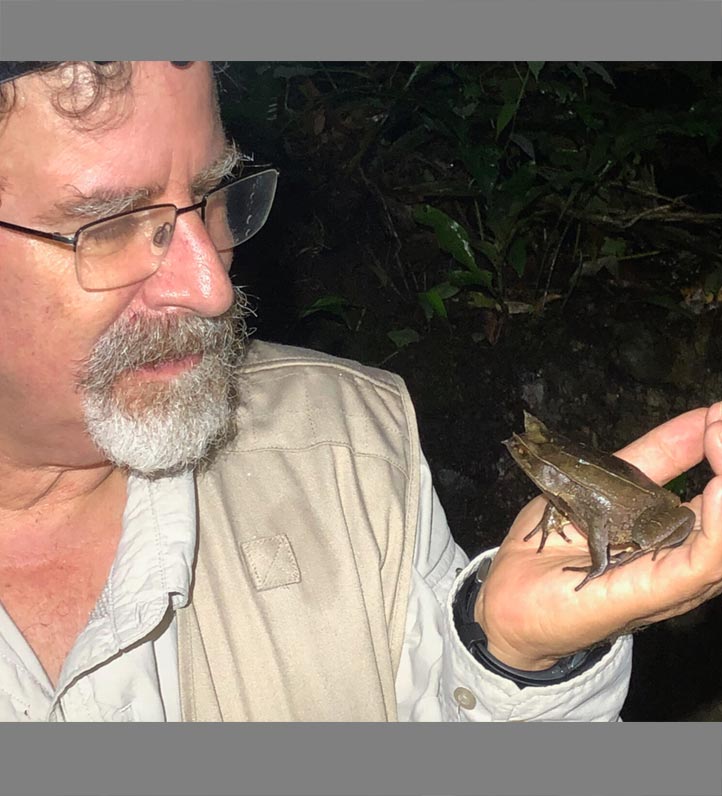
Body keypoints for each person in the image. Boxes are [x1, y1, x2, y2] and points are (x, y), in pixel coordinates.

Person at [0, 60, 720, 722]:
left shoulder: (353, 446)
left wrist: (514, 661)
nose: (214, 288)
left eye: (215, 194)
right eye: (114, 224)